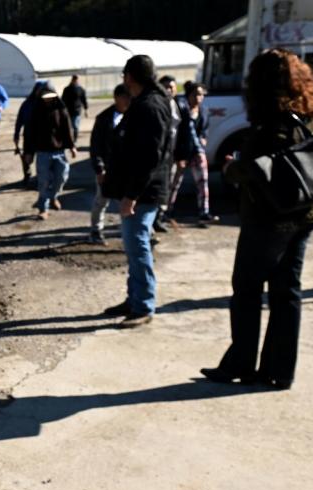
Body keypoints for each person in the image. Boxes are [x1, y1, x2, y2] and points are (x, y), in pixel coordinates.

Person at [201, 49, 313, 390]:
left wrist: (230, 167)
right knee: (287, 291)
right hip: (307, 211)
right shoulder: (307, 110)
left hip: (271, 216)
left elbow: (256, 171)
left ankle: (240, 363)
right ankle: (279, 370)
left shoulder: (271, 120)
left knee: (247, 289)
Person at [101, 55, 173, 328]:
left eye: (124, 75)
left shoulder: (150, 106)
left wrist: (131, 196)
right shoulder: (148, 101)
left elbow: (149, 158)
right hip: (137, 189)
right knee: (133, 248)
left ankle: (143, 305)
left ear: (130, 77)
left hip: (142, 192)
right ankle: (134, 299)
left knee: (138, 246)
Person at [25, 81, 76, 219]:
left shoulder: (61, 110)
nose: (47, 98)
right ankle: (43, 208)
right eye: (45, 95)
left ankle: (54, 196)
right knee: (44, 181)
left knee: (62, 177)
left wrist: (72, 146)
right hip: (42, 153)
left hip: (59, 152)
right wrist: (28, 152)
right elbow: (29, 133)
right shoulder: (35, 111)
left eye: (50, 95)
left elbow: (68, 129)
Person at [168, 81, 216, 226]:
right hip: (182, 152)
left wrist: (204, 138)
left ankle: (204, 212)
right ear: (188, 95)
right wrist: (179, 155)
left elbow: (205, 129)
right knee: (174, 184)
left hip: (197, 151)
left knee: (203, 183)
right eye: (195, 94)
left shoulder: (204, 111)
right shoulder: (181, 110)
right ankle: (167, 211)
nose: (198, 98)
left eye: (201, 94)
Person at [88, 83, 131, 244]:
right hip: (107, 169)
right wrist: (99, 169)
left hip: (125, 171)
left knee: (125, 202)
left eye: (129, 97)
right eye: (124, 97)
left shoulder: (133, 117)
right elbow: (95, 146)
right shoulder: (104, 118)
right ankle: (96, 231)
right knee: (101, 200)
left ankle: (128, 232)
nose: (127, 101)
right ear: (116, 98)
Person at [155, 75, 182, 232]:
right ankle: (156, 219)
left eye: (171, 87)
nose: (168, 90)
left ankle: (160, 216)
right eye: (165, 87)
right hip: (161, 155)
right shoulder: (158, 106)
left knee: (169, 185)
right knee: (160, 186)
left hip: (172, 152)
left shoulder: (178, 105)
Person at [14, 81, 44, 187]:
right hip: (29, 135)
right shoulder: (27, 104)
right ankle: (27, 176)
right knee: (27, 159)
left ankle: (41, 179)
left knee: (42, 159)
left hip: (43, 136)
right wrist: (16, 135)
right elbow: (19, 120)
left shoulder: (46, 103)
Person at [61, 74, 89, 142]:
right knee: (68, 127)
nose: (75, 80)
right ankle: (69, 140)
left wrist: (86, 110)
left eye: (76, 79)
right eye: (74, 79)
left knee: (75, 126)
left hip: (77, 111)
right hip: (68, 111)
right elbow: (63, 100)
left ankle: (74, 140)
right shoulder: (67, 89)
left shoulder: (81, 89)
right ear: (72, 80)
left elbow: (84, 100)